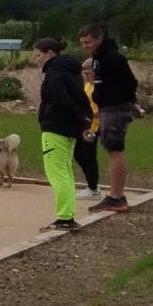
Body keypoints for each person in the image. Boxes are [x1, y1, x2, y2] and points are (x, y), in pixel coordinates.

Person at [32, 37, 92, 231]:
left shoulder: (54, 73)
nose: (36, 59)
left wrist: (51, 116)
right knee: (64, 171)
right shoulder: (71, 71)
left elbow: (61, 99)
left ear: (50, 53)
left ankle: (65, 217)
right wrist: (82, 119)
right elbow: (79, 98)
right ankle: (67, 215)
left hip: (55, 127)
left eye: (38, 55)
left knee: (57, 172)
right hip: (69, 127)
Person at [78, 24, 139, 213]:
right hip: (106, 107)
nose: (84, 46)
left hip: (115, 108)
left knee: (114, 149)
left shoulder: (113, 58)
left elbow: (130, 82)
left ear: (98, 38)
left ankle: (116, 197)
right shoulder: (98, 58)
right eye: (82, 43)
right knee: (110, 148)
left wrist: (130, 102)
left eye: (87, 42)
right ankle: (114, 195)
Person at [73, 58, 101, 200]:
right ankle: (92, 185)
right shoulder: (87, 85)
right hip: (85, 125)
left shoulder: (99, 86)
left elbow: (104, 105)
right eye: (84, 73)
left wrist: (95, 113)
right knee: (79, 154)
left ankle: (93, 188)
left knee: (87, 155)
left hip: (94, 126)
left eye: (89, 73)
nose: (86, 75)